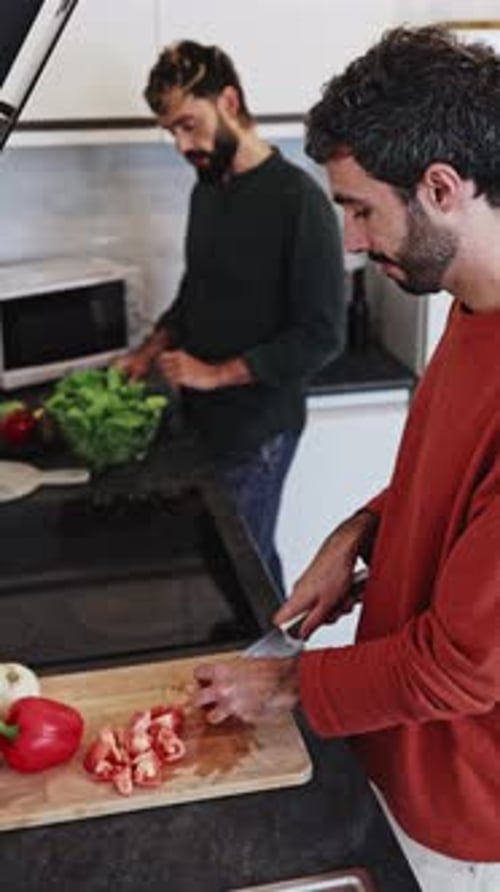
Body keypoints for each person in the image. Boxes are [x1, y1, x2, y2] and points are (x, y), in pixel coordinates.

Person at [192, 25, 500, 892]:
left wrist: (280, 686)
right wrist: (360, 532)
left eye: (362, 210)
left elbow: (462, 666)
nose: (356, 241)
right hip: (397, 754)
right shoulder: (472, 305)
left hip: (464, 815)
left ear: (441, 187)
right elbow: (451, 479)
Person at [117, 40, 345, 594]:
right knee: (237, 563)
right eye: (171, 131)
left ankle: (279, 666)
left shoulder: (298, 202)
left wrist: (213, 373)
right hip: (207, 420)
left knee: (243, 573)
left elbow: (321, 336)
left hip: (259, 427)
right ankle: (271, 660)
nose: (182, 144)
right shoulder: (209, 190)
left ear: (230, 100)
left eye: (190, 125)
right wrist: (150, 349)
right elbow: (197, 290)